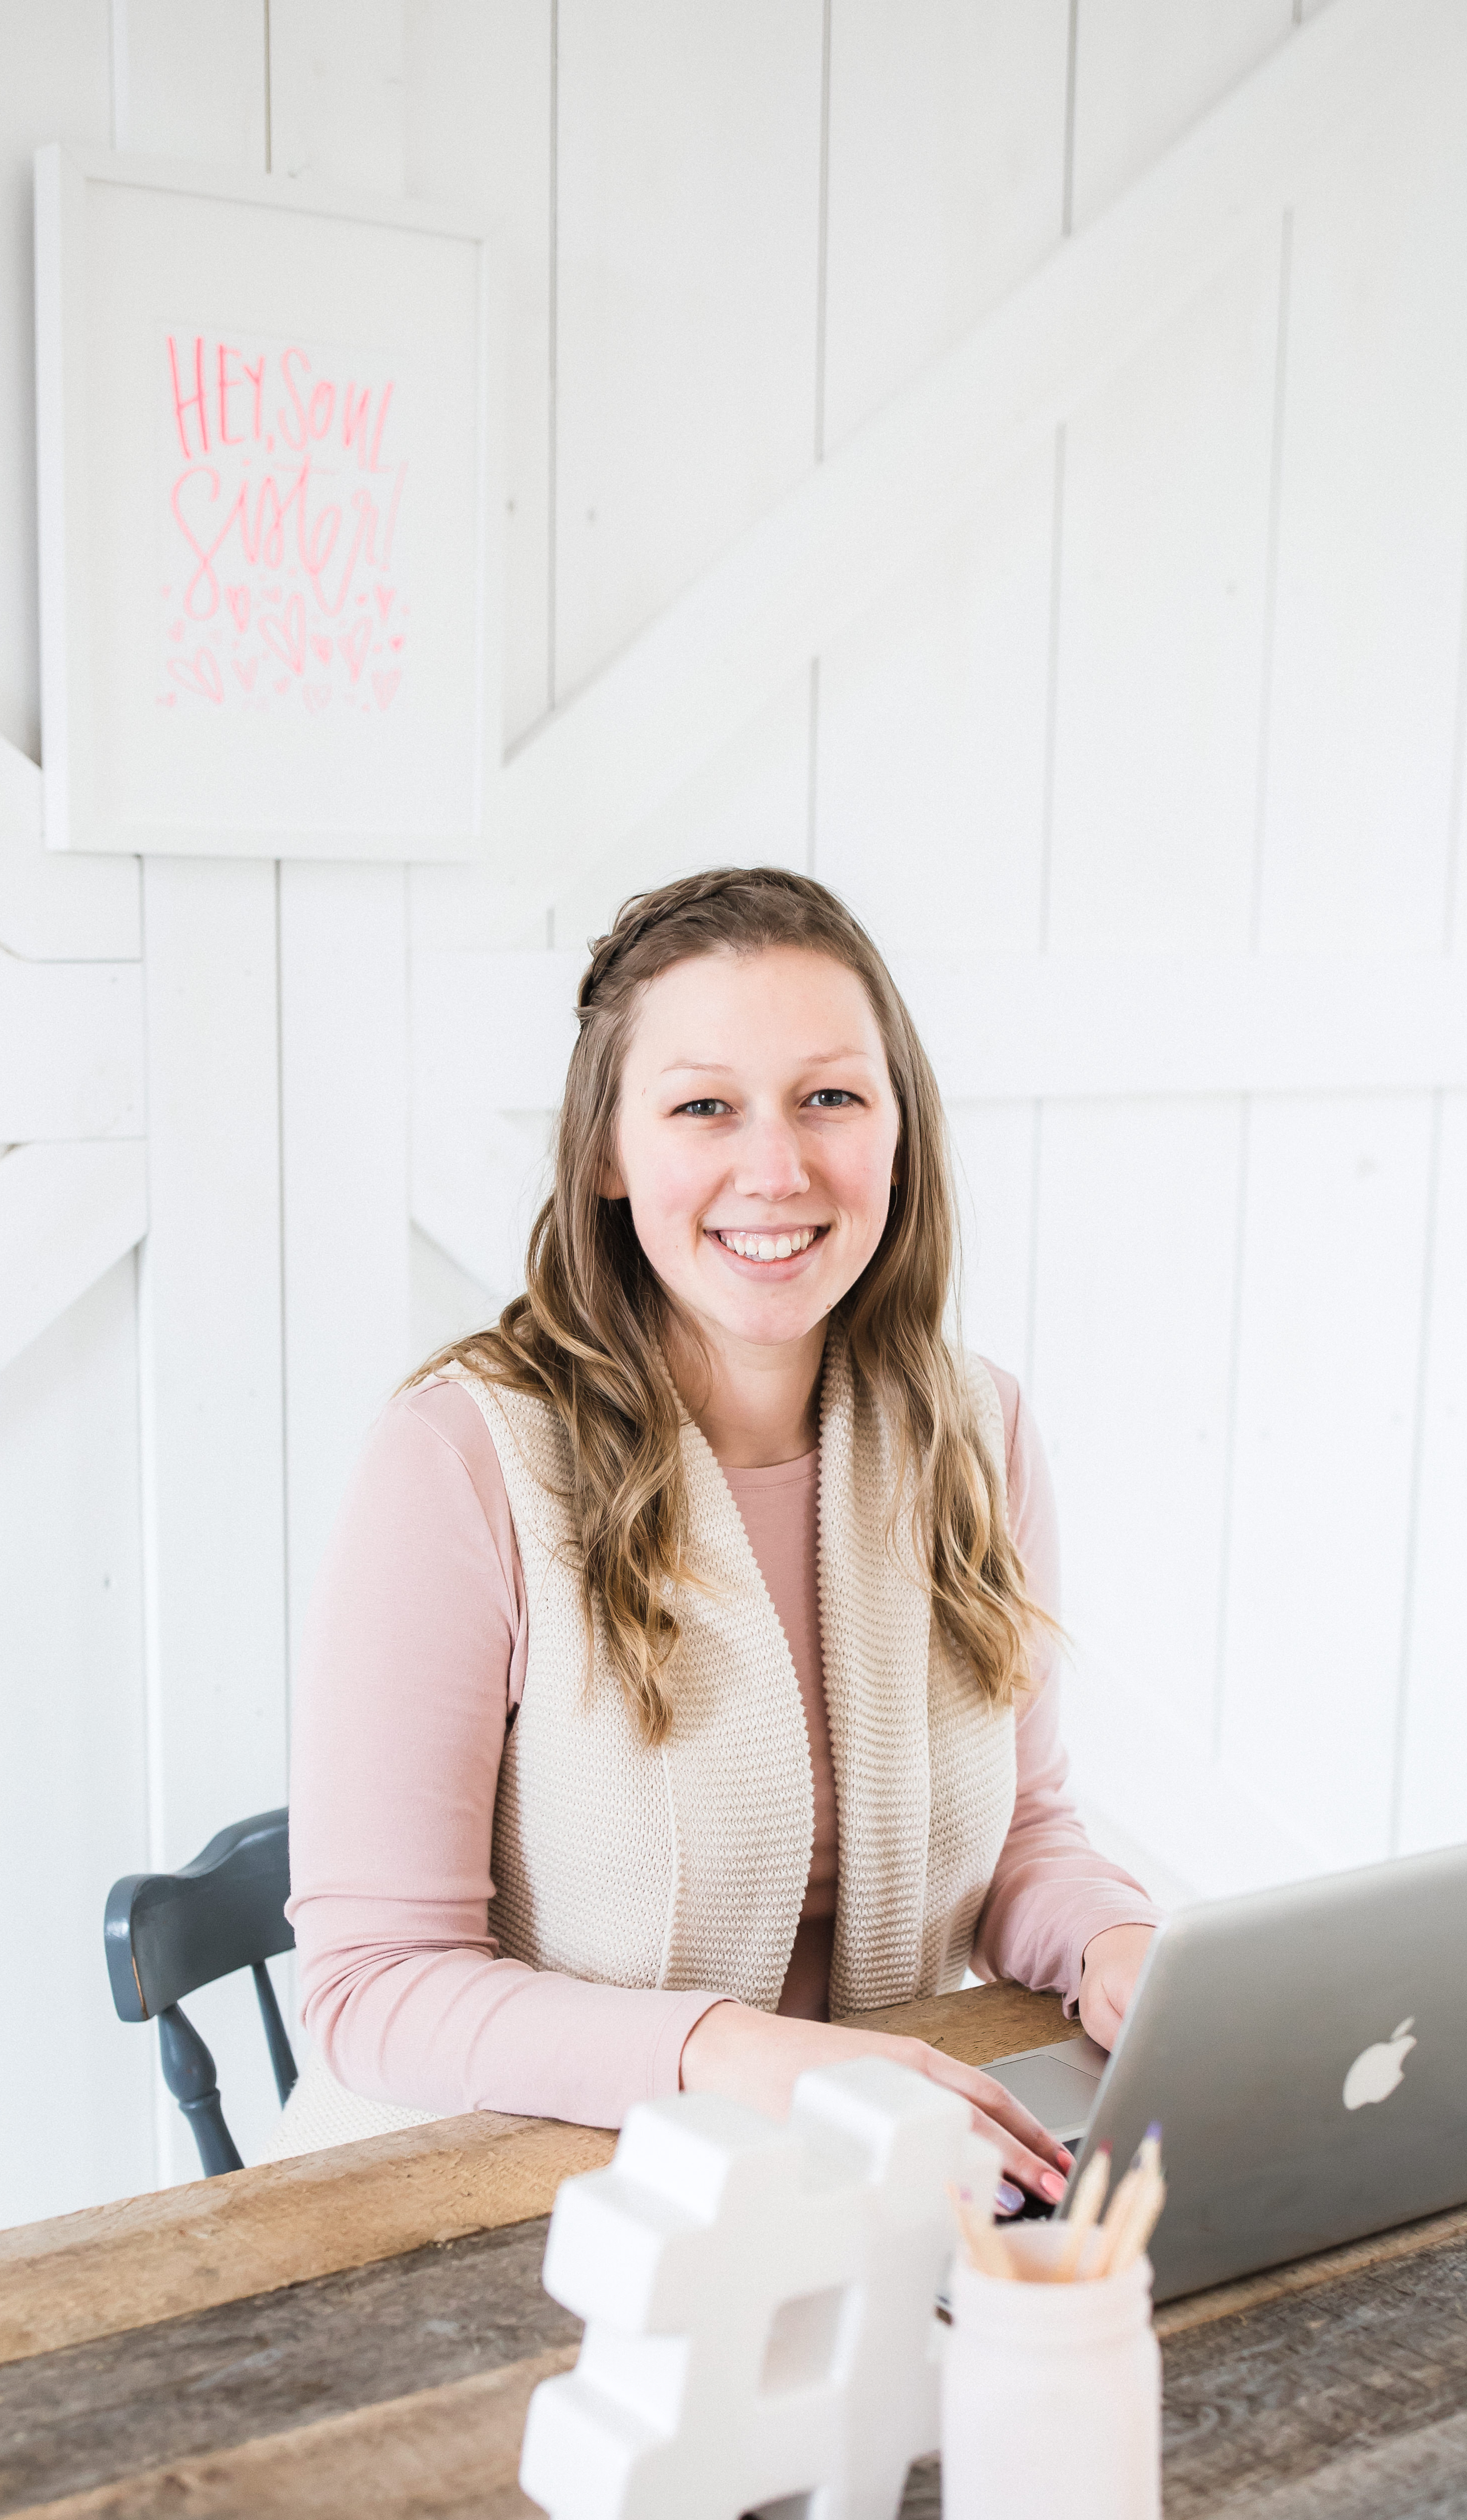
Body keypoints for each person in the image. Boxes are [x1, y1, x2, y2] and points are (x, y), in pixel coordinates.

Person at [269, 866, 1159, 2208]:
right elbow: (369, 1986)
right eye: (703, 1106)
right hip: (506, 2206)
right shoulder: (462, 1459)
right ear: (608, 1155)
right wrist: (727, 2053)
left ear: (900, 1132)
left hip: (856, 2190)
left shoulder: (979, 1430)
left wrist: (1111, 1940)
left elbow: (1023, 1831)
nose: (778, 1169)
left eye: (831, 1098)